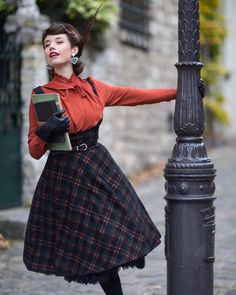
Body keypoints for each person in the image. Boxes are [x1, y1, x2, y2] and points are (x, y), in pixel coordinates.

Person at [23, 20, 204, 295]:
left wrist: (183, 92)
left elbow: (138, 95)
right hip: (65, 175)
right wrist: (47, 131)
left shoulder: (95, 88)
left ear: (74, 50)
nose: (51, 47)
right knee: (91, 242)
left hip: (98, 166)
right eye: (47, 44)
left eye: (58, 42)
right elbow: (35, 150)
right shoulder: (41, 96)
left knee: (112, 231)